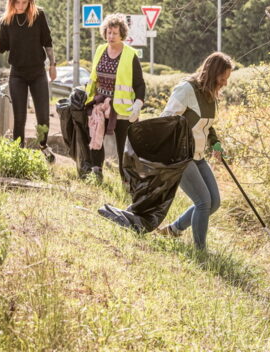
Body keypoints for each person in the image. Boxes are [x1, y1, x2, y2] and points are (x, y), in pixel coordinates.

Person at [157, 51, 233, 251]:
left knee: (214, 202)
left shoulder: (211, 94)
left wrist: (215, 143)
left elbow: (206, 127)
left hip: (198, 155)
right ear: (212, 73)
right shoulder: (187, 89)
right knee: (203, 202)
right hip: (181, 156)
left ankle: (173, 230)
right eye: (222, 78)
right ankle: (200, 251)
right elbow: (166, 120)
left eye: (227, 79)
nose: (225, 82)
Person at [0, 0, 57, 161]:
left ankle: (43, 145)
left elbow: (47, 41)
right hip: (17, 74)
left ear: (29, 1)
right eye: (18, 2)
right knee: (19, 116)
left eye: (25, 2)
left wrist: (52, 64)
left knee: (42, 115)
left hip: (38, 72)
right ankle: (19, 152)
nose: (21, 6)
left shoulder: (38, 16)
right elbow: (3, 47)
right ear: (12, 1)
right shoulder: (6, 20)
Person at [84, 13, 146, 180]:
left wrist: (138, 104)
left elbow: (139, 84)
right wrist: (87, 97)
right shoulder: (100, 50)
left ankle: (126, 181)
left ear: (122, 35)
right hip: (100, 104)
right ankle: (96, 173)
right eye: (108, 32)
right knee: (96, 139)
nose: (110, 36)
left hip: (123, 109)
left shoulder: (130, 55)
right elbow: (93, 77)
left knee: (123, 148)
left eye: (115, 33)